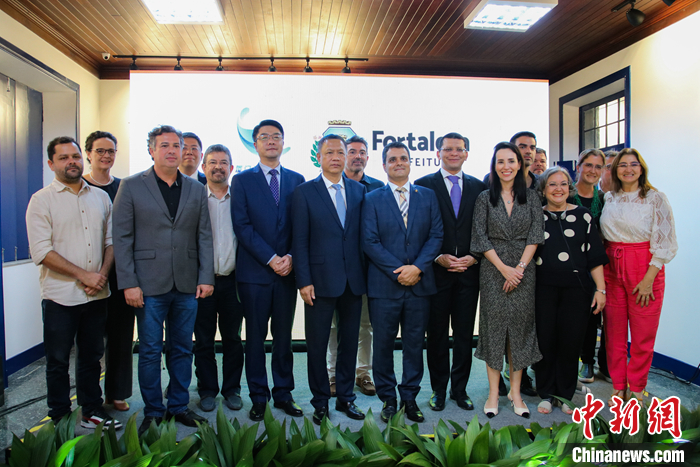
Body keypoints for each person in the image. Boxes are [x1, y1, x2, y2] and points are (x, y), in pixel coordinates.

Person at [113, 125, 214, 436]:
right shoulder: (131, 186)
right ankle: (154, 411)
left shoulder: (196, 188)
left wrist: (206, 276)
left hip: (187, 283)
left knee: (183, 349)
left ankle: (179, 406)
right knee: (149, 351)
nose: (172, 150)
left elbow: (204, 236)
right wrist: (129, 283)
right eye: (165, 145)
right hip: (147, 285)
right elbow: (122, 238)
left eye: (177, 145)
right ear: (151, 150)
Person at [26, 136, 121, 429]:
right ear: (51, 163)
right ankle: (60, 417)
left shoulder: (101, 197)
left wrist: (100, 275)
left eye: (75, 156)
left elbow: (111, 241)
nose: (72, 162)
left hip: (97, 295)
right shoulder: (42, 200)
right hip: (60, 296)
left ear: (83, 159)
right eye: (64, 157)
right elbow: (42, 251)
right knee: (57, 360)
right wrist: (84, 275)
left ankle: (92, 410)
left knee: (92, 357)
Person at [362, 141, 443, 423]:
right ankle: (388, 398)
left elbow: (436, 236)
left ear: (410, 163)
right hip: (384, 286)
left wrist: (417, 268)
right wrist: (400, 271)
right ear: (384, 165)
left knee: (414, 345)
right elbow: (370, 242)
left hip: (420, 285)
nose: (399, 162)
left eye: (403, 158)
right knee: (383, 345)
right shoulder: (372, 199)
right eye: (393, 159)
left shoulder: (427, 196)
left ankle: (409, 397)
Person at [230, 119, 305, 421]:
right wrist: (271, 258)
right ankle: (258, 396)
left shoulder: (297, 179)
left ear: (283, 142)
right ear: (255, 144)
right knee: (255, 339)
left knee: (283, 339)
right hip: (255, 274)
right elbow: (242, 226)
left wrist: (290, 257)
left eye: (276, 136)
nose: (271, 141)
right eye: (264, 137)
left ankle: (284, 393)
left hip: (287, 273)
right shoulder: (241, 181)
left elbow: (302, 226)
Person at [292, 134, 367, 425]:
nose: (336, 157)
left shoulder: (359, 191)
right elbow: (300, 240)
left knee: (349, 343)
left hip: (353, 281)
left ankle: (346, 398)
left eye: (340, 153)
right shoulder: (304, 192)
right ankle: (320, 401)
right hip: (318, 282)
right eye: (330, 153)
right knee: (317, 344)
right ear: (319, 158)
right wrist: (303, 280)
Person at [470, 141, 544, 419]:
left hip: (524, 272)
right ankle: (493, 393)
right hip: (493, 271)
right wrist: (504, 269)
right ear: (494, 166)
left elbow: (535, 235)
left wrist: (519, 269)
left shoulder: (532, 198)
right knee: (494, 331)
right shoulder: (483, 198)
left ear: (519, 164)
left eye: (511, 161)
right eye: (500, 161)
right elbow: (479, 237)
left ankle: (515, 393)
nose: (506, 166)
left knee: (520, 332)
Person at [600, 148, 677, 405]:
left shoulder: (655, 199)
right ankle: (618, 386)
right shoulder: (609, 198)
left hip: (644, 267)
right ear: (615, 170)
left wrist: (648, 280)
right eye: (622, 165)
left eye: (633, 164)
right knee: (614, 333)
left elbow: (665, 241)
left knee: (643, 334)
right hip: (612, 265)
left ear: (641, 168)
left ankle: (636, 388)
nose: (628, 169)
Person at [415, 132, 485, 412]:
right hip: (436, 273)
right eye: (448, 149)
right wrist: (437, 256)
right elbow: (418, 230)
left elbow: (485, 229)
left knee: (464, 335)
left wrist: (475, 257)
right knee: (437, 335)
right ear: (438, 153)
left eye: (459, 149)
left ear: (466, 153)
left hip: (469, 273)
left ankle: (460, 389)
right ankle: (438, 389)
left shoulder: (479, 187)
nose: (454, 153)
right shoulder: (423, 185)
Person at [533, 166, 608, 415]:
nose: (558, 189)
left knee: (571, 341)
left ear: (570, 188)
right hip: (542, 289)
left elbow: (595, 257)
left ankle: (565, 395)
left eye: (563, 184)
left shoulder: (583, 216)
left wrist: (601, 289)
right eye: (552, 184)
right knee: (545, 341)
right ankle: (546, 393)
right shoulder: (535, 216)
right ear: (543, 189)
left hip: (577, 290)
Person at [327, 135, 383, 398]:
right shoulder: (327, 186)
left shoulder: (378, 188)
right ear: (343, 155)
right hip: (334, 271)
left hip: (367, 271)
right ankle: (332, 375)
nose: (357, 156)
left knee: (364, 325)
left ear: (367, 158)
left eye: (362, 152)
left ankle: (363, 373)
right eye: (352, 151)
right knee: (333, 327)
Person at [82, 131, 134, 413]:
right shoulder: (79, 187)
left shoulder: (124, 187)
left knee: (121, 338)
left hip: (120, 274)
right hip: (88, 276)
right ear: (88, 154)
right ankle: (89, 398)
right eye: (100, 151)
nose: (106, 156)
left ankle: (117, 393)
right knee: (90, 343)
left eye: (111, 151)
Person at [193, 144, 245, 412]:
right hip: (201, 282)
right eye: (212, 162)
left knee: (232, 339)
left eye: (224, 162)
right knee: (203, 340)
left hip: (233, 282)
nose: (218, 167)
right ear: (203, 167)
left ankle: (232, 389)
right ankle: (207, 390)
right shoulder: (194, 197)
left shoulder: (240, 198)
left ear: (231, 168)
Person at [570, 149, 610, 384]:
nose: (593, 171)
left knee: (591, 315)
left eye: (598, 166)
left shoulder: (605, 200)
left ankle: (587, 362)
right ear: (579, 167)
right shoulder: (565, 193)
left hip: (593, 265)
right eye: (588, 165)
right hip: (566, 264)